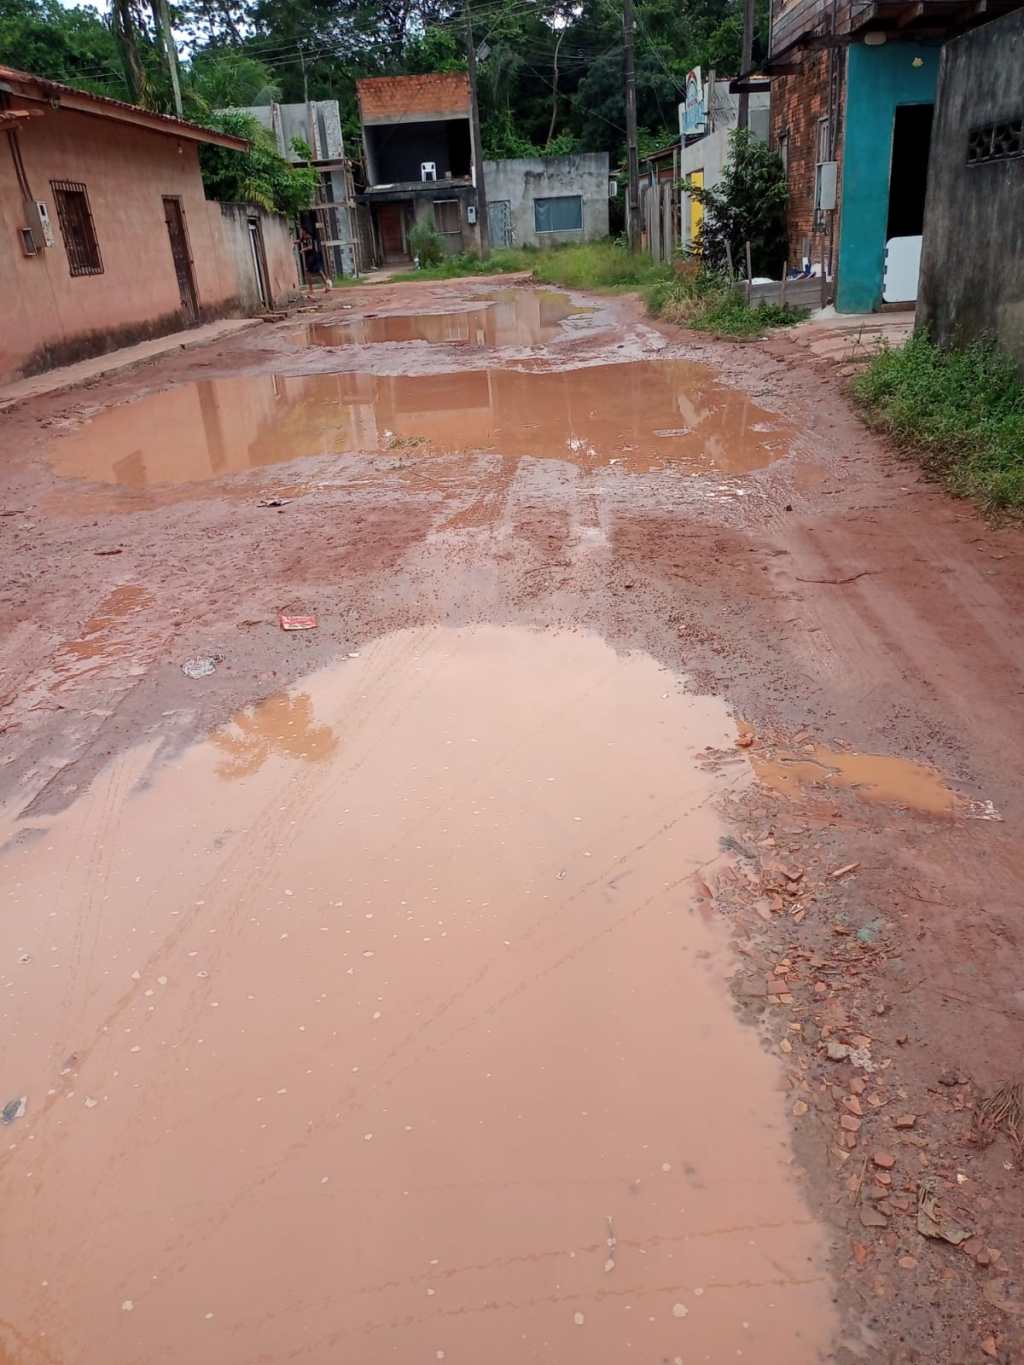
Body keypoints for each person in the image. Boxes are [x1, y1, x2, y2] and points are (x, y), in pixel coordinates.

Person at [299, 228, 332, 298]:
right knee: (319, 271)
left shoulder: (309, 238)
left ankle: (311, 289)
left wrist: (303, 250)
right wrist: (293, 242)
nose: (301, 232)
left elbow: (310, 247)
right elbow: (299, 241)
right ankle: (327, 285)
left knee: (308, 272)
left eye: (302, 230)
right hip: (311, 257)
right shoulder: (304, 238)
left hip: (313, 257)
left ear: (305, 231)